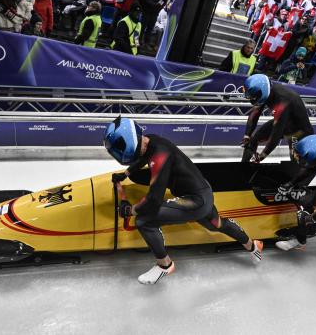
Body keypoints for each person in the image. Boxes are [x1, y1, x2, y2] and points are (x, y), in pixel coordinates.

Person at [104, 117, 263, 284]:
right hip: (203, 192)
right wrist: (126, 174)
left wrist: (129, 210)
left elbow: (153, 201)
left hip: (195, 200)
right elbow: (143, 157)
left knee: (144, 220)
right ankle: (253, 246)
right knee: (216, 224)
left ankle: (165, 265)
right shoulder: (150, 140)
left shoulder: (160, 155)